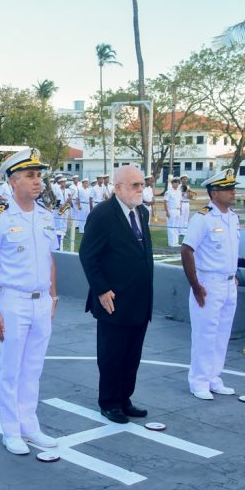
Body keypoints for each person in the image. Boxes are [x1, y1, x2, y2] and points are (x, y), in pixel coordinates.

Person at [0, 148, 59, 455]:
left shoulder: (45, 215)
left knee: (33, 367)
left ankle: (29, 425)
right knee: (10, 368)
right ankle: (11, 430)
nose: (37, 181)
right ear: (13, 181)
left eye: (39, 175)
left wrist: (53, 295)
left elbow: (49, 258)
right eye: (30, 175)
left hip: (41, 301)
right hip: (13, 301)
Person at [78, 164, 154, 424]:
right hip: (113, 299)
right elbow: (88, 255)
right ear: (118, 187)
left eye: (142, 184)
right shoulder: (102, 215)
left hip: (139, 300)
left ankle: (124, 398)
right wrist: (101, 290)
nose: (140, 189)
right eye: (135, 185)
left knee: (132, 355)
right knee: (112, 354)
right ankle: (109, 402)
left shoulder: (141, 212)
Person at [181, 169, 241, 400]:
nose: (233, 192)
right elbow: (187, 251)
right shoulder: (202, 218)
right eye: (228, 189)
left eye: (233, 188)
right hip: (209, 284)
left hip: (229, 284)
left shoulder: (233, 217)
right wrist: (195, 285)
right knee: (205, 334)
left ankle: (214, 378)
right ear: (214, 193)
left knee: (222, 334)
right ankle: (199, 381)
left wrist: (233, 275)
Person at [165, 175, 182, 247]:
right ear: (172, 183)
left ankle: (176, 242)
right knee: (171, 226)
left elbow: (180, 201)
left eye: (178, 182)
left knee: (177, 226)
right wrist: (167, 212)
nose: (176, 184)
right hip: (171, 210)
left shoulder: (179, 191)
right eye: (175, 182)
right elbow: (165, 202)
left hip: (178, 210)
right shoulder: (168, 192)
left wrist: (180, 210)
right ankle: (171, 242)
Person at [179, 175, 192, 241]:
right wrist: (185, 192)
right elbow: (180, 194)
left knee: (186, 217)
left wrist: (190, 194)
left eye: (186, 179)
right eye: (184, 179)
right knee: (181, 217)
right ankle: (180, 231)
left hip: (187, 203)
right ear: (181, 180)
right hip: (182, 203)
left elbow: (190, 196)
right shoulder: (179, 186)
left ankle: (185, 231)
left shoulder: (188, 187)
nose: (185, 180)